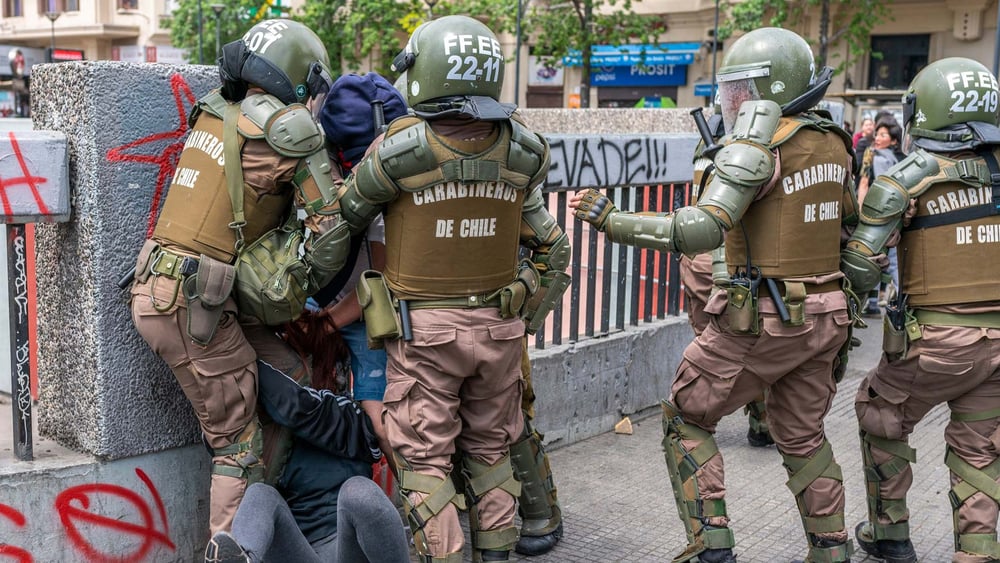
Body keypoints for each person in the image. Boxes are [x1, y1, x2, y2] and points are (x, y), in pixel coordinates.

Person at [571, 27, 859, 563]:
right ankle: (831, 549)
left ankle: (713, 547)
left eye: (740, 88)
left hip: (763, 319)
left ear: (769, 87)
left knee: (685, 417)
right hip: (824, 314)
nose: (732, 101)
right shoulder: (834, 144)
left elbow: (700, 230)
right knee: (803, 436)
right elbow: (849, 233)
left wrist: (613, 220)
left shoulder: (760, 145)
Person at [333, 15, 572, 562]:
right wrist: (520, 304)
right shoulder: (521, 153)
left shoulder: (398, 154)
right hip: (499, 332)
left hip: (424, 337)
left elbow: (343, 217)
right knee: (491, 455)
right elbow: (554, 250)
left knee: (425, 464)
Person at [127, 18, 346, 535]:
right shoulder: (287, 130)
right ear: (300, 79)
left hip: (170, 288)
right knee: (238, 448)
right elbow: (332, 236)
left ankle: (264, 521)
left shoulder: (214, 107)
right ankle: (233, 545)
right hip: (194, 304)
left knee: (290, 375)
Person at [842, 57, 1000, 563]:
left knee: (878, 414)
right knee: (979, 447)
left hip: (935, 343)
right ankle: (976, 552)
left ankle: (890, 535)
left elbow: (860, 269)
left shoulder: (908, 180)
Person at [202, 361, 408, 563]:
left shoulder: (351, 417)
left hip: (352, 548)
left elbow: (297, 405)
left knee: (359, 491)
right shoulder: (269, 439)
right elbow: (222, 440)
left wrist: (237, 359)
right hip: (300, 549)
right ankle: (244, 558)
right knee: (260, 494)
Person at [681, 107, 773, 448]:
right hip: (729, 261)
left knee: (707, 345)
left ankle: (701, 416)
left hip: (699, 259)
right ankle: (760, 419)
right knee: (741, 344)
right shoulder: (750, 154)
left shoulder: (706, 152)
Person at [855, 118, 906, 315]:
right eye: (877, 134)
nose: (877, 137)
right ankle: (900, 300)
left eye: (883, 134)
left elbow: (864, 183)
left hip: (875, 213)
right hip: (894, 214)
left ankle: (873, 303)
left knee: (872, 257)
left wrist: (861, 212)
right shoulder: (902, 159)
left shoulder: (871, 154)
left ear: (893, 140)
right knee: (892, 259)